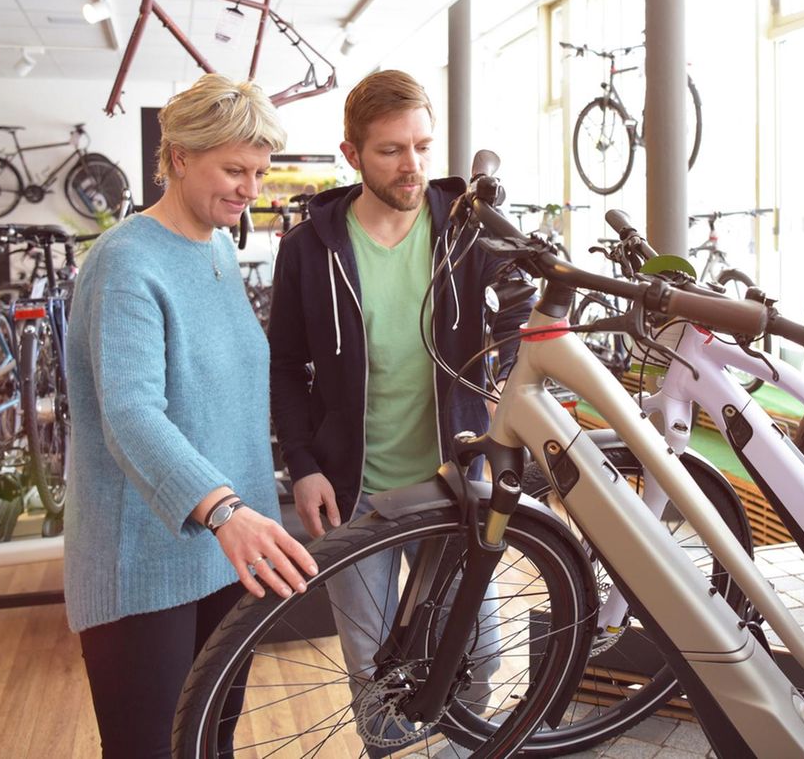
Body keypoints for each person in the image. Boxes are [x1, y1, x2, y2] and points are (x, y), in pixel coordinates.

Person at [267, 69, 531, 749]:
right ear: (352, 154)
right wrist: (301, 466)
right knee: (375, 674)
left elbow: (524, 303)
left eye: (422, 145)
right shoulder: (309, 250)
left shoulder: (465, 229)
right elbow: (286, 367)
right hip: (351, 495)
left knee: (478, 654)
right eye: (391, 150)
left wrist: (502, 369)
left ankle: (459, 749)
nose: (412, 165)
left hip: (453, 482)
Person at [64, 72, 318, 759]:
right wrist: (224, 511)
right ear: (178, 156)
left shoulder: (213, 247)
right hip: (145, 561)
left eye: (259, 172)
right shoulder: (125, 262)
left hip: (224, 550)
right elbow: (131, 414)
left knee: (214, 740)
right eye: (234, 169)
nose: (250, 189)